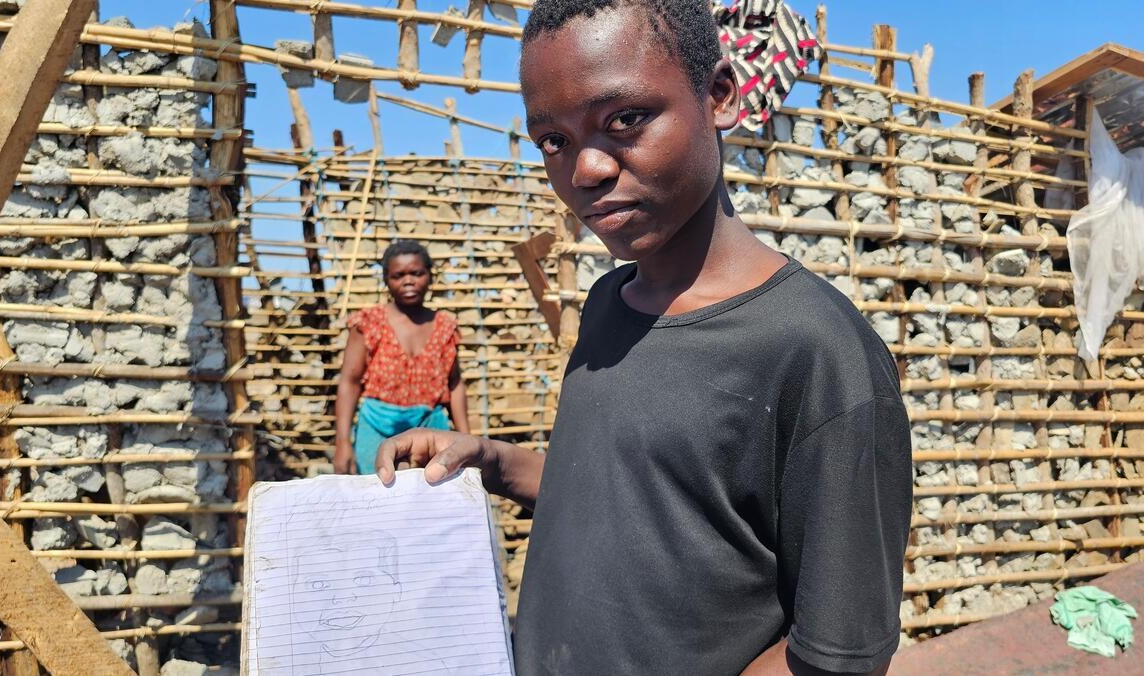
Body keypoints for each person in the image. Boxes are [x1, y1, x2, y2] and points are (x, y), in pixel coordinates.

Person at [374, 0, 912, 674]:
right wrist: (487, 459)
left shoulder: (818, 352)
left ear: (720, 95)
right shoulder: (609, 306)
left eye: (625, 120)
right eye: (554, 141)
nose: (585, 170)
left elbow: (838, 656)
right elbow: (622, 496)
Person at [333, 240, 470, 475]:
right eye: (399, 275)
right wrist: (342, 442)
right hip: (376, 427)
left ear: (429, 276)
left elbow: (454, 384)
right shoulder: (370, 323)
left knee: (432, 497)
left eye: (416, 273)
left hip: (430, 428)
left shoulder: (444, 327)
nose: (408, 281)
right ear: (387, 280)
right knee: (379, 498)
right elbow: (349, 382)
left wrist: (466, 440)